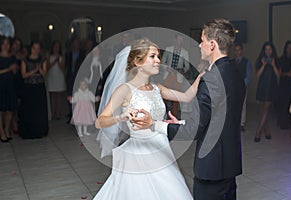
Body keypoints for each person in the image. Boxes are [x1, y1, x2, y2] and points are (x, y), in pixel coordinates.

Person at [131, 19, 245, 200]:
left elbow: (194, 130)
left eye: (202, 40)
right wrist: (183, 121)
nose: (199, 45)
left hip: (212, 167)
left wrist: (155, 125)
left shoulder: (211, 80)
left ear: (212, 44)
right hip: (230, 163)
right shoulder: (235, 72)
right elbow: (217, 116)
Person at [93, 38, 203, 200]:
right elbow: (99, 121)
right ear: (138, 62)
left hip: (162, 149)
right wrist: (121, 117)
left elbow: (186, 97)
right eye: (152, 56)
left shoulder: (157, 88)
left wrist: (203, 75)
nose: (158, 60)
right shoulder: (125, 90)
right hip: (139, 153)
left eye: (158, 56)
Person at [19, 41, 49, 139]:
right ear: (31, 49)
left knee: (39, 110)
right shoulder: (25, 60)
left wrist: (39, 69)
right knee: (29, 110)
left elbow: (44, 75)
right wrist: (34, 71)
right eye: (34, 48)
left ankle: (40, 130)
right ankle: (29, 131)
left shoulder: (42, 60)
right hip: (28, 88)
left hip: (39, 87)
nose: (36, 50)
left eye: (38, 48)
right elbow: (23, 75)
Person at [255, 41, 281, 142]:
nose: (268, 51)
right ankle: (267, 131)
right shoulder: (260, 60)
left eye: (270, 49)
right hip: (262, 87)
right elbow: (257, 75)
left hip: (271, 88)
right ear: (263, 50)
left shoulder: (276, 60)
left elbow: (278, 75)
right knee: (263, 110)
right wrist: (263, 65)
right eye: (266, 49)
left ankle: (258, 132)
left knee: (265, 110)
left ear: (272, 50)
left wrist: (273, 65)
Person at [161, 34, 190, 117]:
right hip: (168, 75)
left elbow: (187, 66)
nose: (179, 42)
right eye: (178, 40)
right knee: (165, 96)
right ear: (175, 40)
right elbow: (163, 62)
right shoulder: (168, 49)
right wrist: (166, 68)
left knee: (176, 98)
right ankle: (164, 113)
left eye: (181, 40)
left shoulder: (185, 52)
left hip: (178, 77)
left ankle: (173, 116)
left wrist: (181, 70)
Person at [0, 37, 18, 142]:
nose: (6, 46)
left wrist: (14, 69)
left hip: (10, 84)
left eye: (7, 44)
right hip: (1, 84)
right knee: (0, 109)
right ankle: (1, 131)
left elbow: (14, 72)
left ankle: (7, 129)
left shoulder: (12, 57)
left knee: (9, 109)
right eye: (3, 44)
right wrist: (9, 69)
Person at [278, 40, 291, 129]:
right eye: (288, 47)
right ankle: (283, 123)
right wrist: (287, 74)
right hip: (284, 83)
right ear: (285, 48)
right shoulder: (281, 59)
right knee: (283, 103)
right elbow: (279, 73)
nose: (289, 49)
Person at [231, 43, 252, 131]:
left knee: (242, 105)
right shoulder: (231, 62)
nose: (237, 52)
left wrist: (242, 85)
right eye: (236, 50)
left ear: (242, 51)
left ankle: (241, 123)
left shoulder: (246, 62)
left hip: (242, 86)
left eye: (239, 49)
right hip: (233, 87)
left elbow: (248, 76)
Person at [65, 36, 85, 123]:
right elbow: (66, 65)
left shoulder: (82, 53)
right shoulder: (69, 54)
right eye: (75, 43)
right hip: (70, 76)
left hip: (79, 76)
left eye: (77, 42)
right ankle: (71, 114)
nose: (76, 44)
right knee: (70, 95)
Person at [46, 40, 66, 120]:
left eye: (58, 46)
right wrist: (54, 61)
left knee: (59, 96)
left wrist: (58, 62)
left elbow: (63, 67)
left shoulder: (62, 56)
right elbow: (47, 67)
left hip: (59, 76)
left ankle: (58, 113)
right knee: (52, 95)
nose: (56, 48)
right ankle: (53, 112)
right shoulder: (49, 56)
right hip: (51, 76)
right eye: (55, 46)